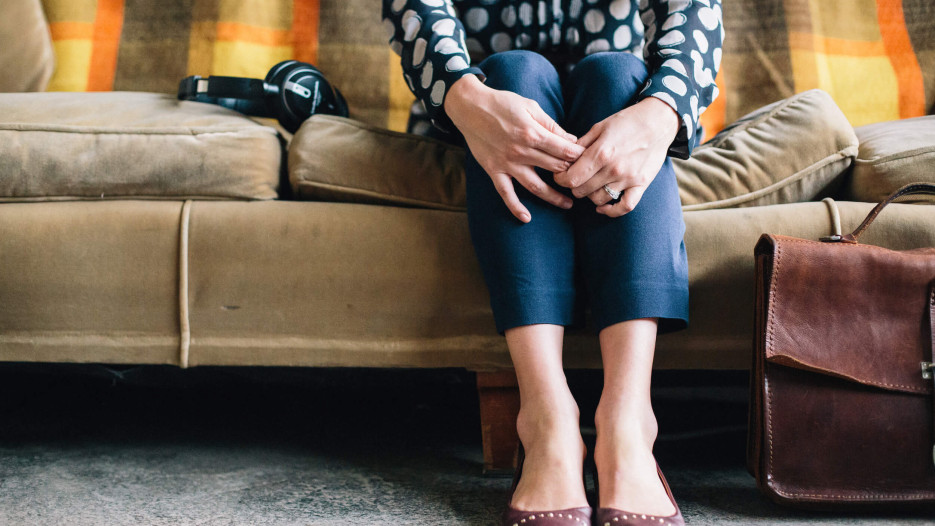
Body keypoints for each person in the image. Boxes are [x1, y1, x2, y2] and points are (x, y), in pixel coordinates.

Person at [383, 1, 722, 524]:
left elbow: (693, 9)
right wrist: (467, 97)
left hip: (620, 116)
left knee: (617, 73)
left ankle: (629, 420)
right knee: (514, 70)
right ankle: (546, 419)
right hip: (479, 118)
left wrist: (660, 112)